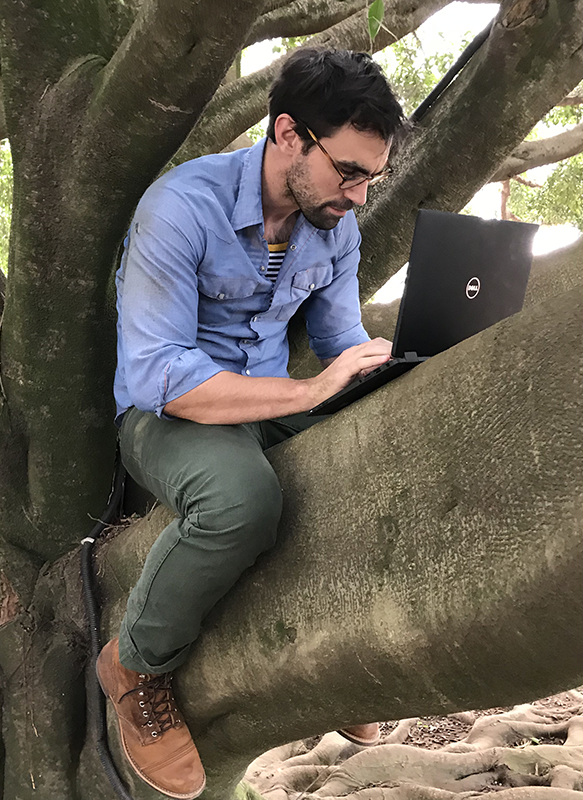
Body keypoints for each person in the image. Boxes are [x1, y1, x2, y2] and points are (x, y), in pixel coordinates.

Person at [96, 47, 407, 799]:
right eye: (349, 172)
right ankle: (135, 663)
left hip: (269, 399)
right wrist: (307, 395)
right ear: (289, 134)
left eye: (374, 177)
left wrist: (390, 367)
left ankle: (341, 655)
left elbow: (336, 340)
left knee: (383, 444)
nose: (360, 197)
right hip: (167, 415)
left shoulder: (332, 224)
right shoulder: (181, 207)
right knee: (243, 501)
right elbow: (161, 375)